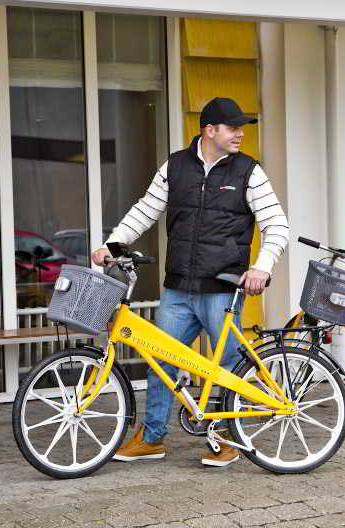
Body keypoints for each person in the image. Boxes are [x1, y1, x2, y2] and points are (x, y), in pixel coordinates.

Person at [91, 97, 290, 467]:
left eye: (242, 128)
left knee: (227, 367)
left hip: (222, 289)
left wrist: (262, 267)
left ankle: (227, 438)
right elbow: (145, 210)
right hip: (178, 287)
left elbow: (277, 225)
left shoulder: (248, 171)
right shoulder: (176, 166)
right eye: (233, 128)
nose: (240, 134)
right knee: (161, 362)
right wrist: (111, 245)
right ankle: (152, 438)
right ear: (209, 130)